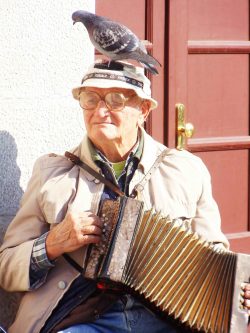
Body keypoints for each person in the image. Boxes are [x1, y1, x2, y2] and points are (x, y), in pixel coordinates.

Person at [0, 60, 249, 333]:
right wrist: (52, 243)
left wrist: (240, 290)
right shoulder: (51, 172)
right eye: (90, 99)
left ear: (143, 110)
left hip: (166, 321)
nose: (100, 111)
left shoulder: (186, 170)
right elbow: (6, 266)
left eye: (115, 100)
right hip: (82, 317)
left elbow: (215, 256)